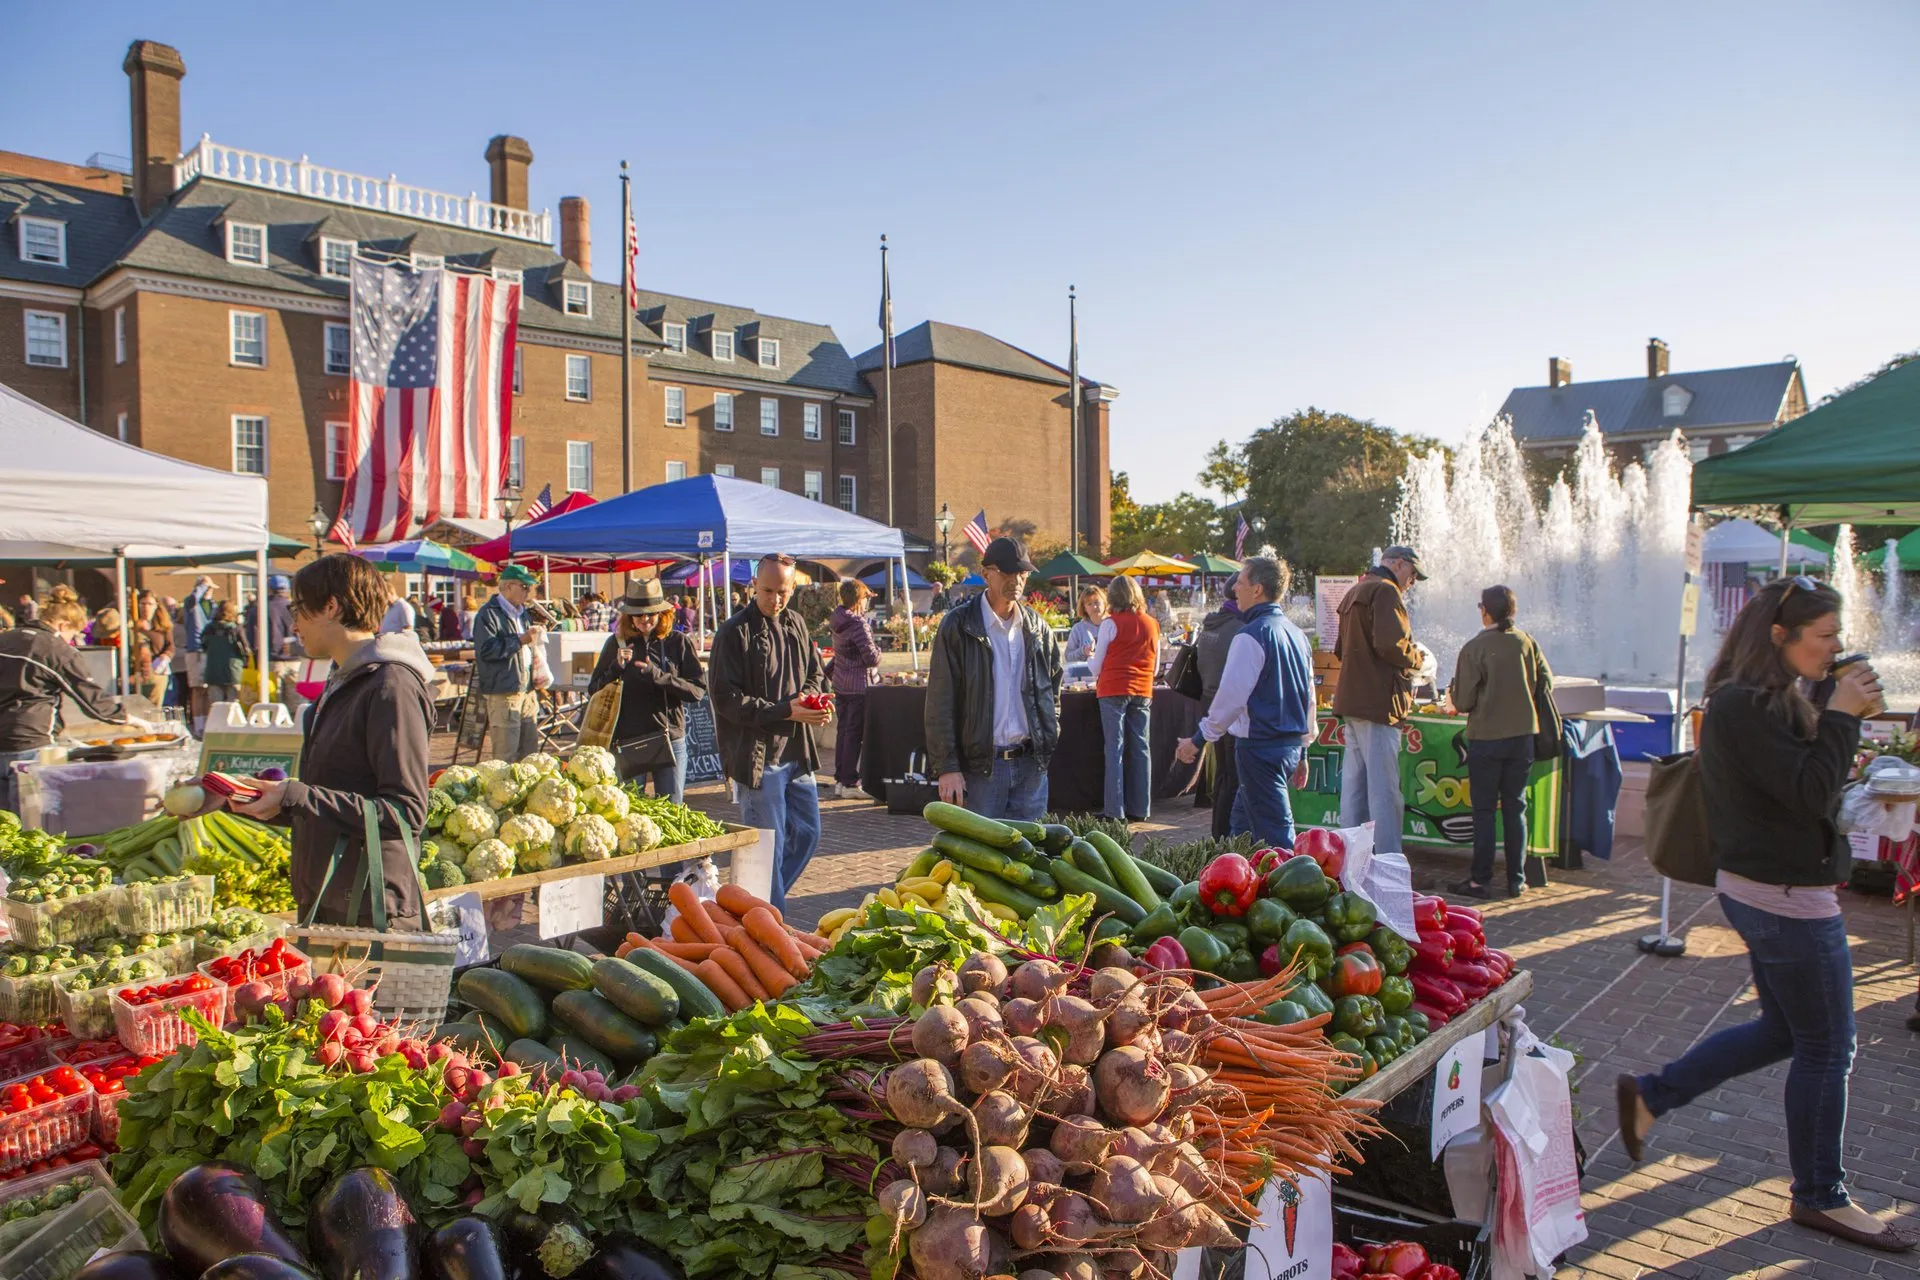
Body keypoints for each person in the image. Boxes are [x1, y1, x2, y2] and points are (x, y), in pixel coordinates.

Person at [1617, 577, 1917, 1253]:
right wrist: (1840, 713)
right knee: (1829, 1046)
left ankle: (1651, 1095)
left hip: (1774, 890)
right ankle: (1821, 1196)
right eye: (1825, 637)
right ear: (1780, 637)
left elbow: (1805, 781)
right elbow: (1809, 792)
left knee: (1787, 1031)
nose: (1837, 649)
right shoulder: (1743, 705)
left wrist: (1838, 719)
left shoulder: (1772, 696)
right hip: (1783, 899)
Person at [227, 554, 432, 931]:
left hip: (371, 910)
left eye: (298, 608)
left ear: (332, 607)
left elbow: (405, 812)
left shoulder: (392, 687)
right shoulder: (343, 680)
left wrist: (296, 796)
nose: (293, 622)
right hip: (330, 897)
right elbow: (337, 794)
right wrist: (248, 799)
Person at [709, 555, 829, 910]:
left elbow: (816, 672)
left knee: (807, 834)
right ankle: (771, 924)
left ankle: (756, 906)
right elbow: (725, 698)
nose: (775, 600)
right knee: (767, 849)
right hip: (758, 757)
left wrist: (811, 700)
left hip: (796, 751)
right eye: (768, 591)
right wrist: (784, 710)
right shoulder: (733, 632)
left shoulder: (795, 622)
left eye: (783, 592)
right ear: (753, 587)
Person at [1175, 556, 1315, 847]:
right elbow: (1308, 698)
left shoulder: (1251, 635)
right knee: (1241, 826)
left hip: (1260, 748)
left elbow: (1230, 699)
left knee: (1277, 835)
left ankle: (1294, 887)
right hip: (1283, 747)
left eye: (1240, 582)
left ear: (1257, 589)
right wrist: (1303, 751)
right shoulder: (1297, 634)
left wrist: (1198, 739)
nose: (1234, 589)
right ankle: (1234, 874)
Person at [926, 538, 1064, 821]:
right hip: (980, 769)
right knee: (978, 859)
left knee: (1031, 858)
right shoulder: (958, 625)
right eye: (1006, 572)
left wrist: (1048, 737)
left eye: (1022, 573)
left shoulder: (1038, 628)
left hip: (1030, 766)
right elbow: (940, 700)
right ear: (986, 573)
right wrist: (948, 767)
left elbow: (1053, 690)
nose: (1016, 580)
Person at [1447, 586, 1553, 899]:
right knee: (1514, 807)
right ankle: (1516, 880)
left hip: (1487, 739)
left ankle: (1481, 881)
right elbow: (1545, 681)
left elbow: (1463, 701)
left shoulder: (1474, 648)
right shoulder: (1526, 641)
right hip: (1522, 737)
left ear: (1486, 611)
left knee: (1483, 811)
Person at [0, 590, 135, 812]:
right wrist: (125, 717)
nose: (72, 640)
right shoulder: (56, 649)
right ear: (63, 625)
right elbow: (91, 699)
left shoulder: (6, 638)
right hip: (31, 743)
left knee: (4, 827)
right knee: (32, 820)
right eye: (73, 634)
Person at [1331, 546, 1424, 855]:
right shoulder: (1386, 591)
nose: (1412, 582)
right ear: (1398, 565)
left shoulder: (1356, 590)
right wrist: (1417, 657)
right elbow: (1392, 645)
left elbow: (1340, 649)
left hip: (1352, 700)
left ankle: (1350, 859)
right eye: (1412, 574)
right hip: (1379, 702)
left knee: (1354, 789)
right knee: (1384, 791)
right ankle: (1387, 862)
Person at [586, 580, 706, 803]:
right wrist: (616, 668)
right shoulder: (617, 643)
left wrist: (659, 676)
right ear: (629, 616)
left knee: (672, 809)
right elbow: (593, 690)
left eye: (650, 614)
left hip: (669, 738)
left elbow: (697, 691)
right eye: (638, 615)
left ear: (662, 613)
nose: (645, 620)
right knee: (630, 811)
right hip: (629, 741)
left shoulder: (678, 642)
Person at [1089, 576, 1160, 823]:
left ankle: (1114, 810)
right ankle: (1141, 808)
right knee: (1141, 749)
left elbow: (1096, 667)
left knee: (1115, 749)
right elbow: (1156, 665)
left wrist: (1089, 658)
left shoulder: (1110, 624)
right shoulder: (1152, 624)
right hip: (1142, 689)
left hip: (1112, 689)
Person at [472, 565, 547, 762]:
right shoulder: (488, 614)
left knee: (530, 752)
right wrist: (520, 640)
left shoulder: (522, 613)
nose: (528, 591)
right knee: (506, 753)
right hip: (504, 691)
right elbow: (486, 650)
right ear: (508, 586)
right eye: (524, 586)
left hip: (527, 689)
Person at [1195, 574, 1247, 839]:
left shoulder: (1211, 624)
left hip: (1210, 699)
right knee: (1233, 775)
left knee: (1225, 773)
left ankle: (1219, 833)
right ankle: (1227, 836)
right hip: (1229, 707)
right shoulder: (1240, 626)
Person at [829, 578, 883, 800]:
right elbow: (871, 658)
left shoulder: (837, 618)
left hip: (841, 683)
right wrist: (880, 651)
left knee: (843, 732)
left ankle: (841, 779)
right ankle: (850, 781)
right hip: (859, 685)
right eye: (866, 599)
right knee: (854, 735)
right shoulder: (858, 624)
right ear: (859, 600)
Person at [244, 575, 299, 711]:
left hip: (270, 659)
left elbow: (252, 636)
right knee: (295, 702)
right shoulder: (295, 608)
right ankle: (295, 729)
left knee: (273, 702)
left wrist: (256, 658)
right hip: (294, 658)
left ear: (269, 588)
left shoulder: (259, 609)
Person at [180, 576, 216, 732]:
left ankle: (208, 723)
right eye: (208, 589)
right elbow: (193, 598)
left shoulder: (212, 606)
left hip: (209, 650)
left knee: (208, 689)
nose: (210, 592)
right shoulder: (191, 604)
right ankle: (198, 724)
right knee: (197, 689)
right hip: (195, 650)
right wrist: (202, 587)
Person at [200, 601, 252, 707]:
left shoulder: (209, 629)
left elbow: (203, 646)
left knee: (216, 707)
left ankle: (218, 723)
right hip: (233, 671)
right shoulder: (236, 629)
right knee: (233, 706)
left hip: (213, 671)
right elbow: (246, 650)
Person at [1064, 586, 1107, 674]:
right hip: (1086, 677)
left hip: (1110, 674)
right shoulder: (1078, 629)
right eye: (1089, 604)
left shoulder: (1113, 625)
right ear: (1084, 608)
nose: (1094, 606)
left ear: (1104, 603)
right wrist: (1083, 651)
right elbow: (1068, 656)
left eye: (1097, 602)